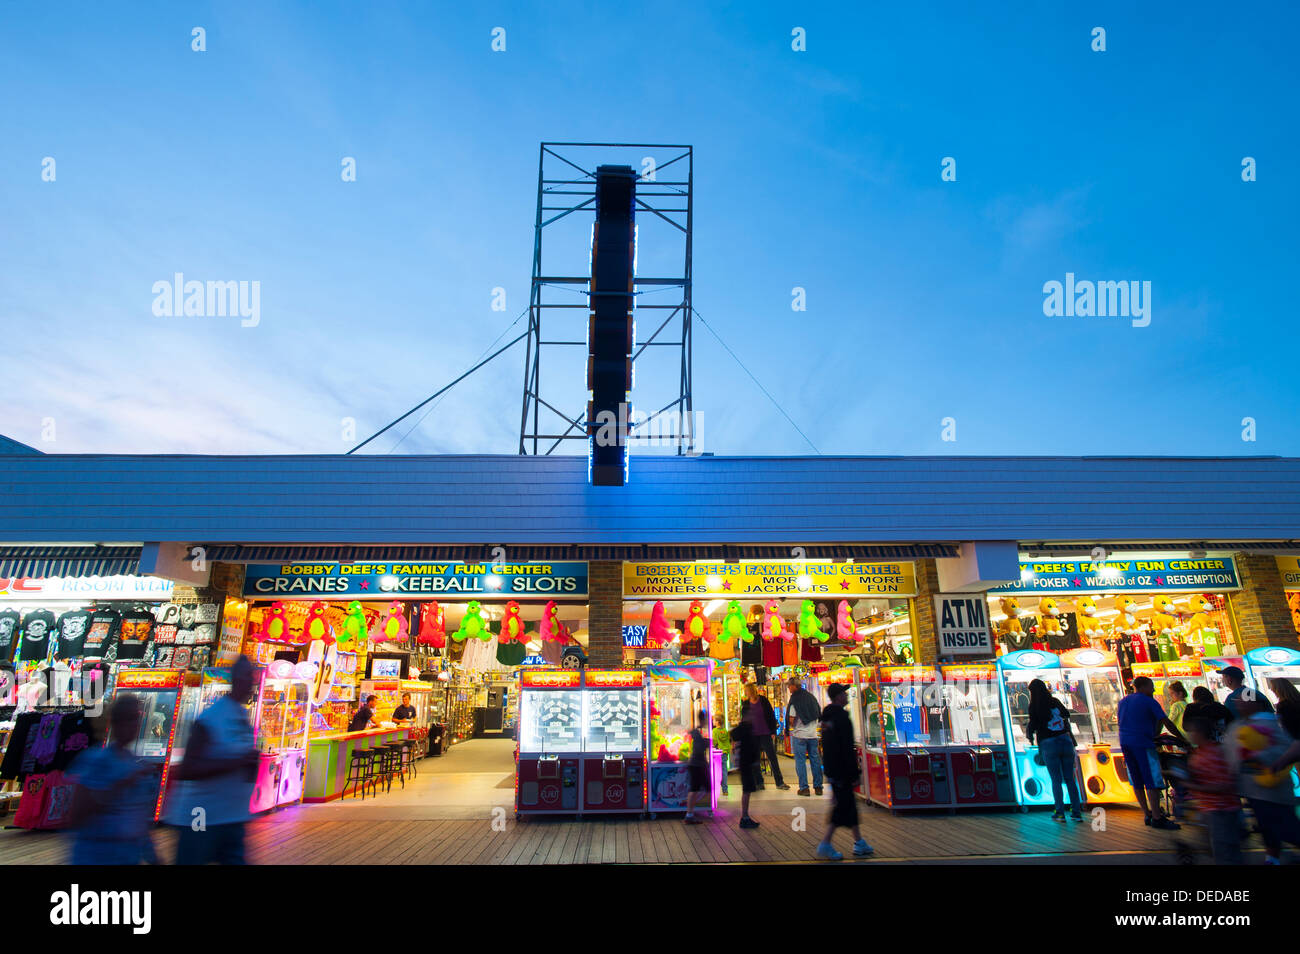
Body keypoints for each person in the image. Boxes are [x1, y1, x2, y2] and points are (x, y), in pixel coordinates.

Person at [165, 655, 260, 865]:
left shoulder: (242, 717)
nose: (252, 682)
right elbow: (189, 769)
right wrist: (238, 762)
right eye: (247, 677)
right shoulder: (211, 718)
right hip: (201, 816)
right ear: (236, 679)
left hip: (233, 817)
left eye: (253, 677)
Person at [65, 694, 159, 865]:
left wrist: (152, 856)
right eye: (128, 719)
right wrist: (122, 783)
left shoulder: (135, 763)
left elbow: (138, 821)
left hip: (126, 855)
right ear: (114, 722)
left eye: (136, 718)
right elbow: (78, 813)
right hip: (96, 854)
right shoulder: (94, 761)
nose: (133, 725)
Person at [1225, 692, 1300, 864]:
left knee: (1285, 827)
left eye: (1244, 701)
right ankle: (1272, 858)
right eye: (1238, 701)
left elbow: (1286, 748)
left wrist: (1259, 757)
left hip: (1273, 789)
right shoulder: (1238, 725)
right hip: (1253, 789)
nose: (1239, 704)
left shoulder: (1273, 723)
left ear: (1256, 703)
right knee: (1268, 827)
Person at [1116, 675, 1188, 830]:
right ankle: (1157, 816)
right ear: (1142, 687)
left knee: (1137, 779)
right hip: (1143, 743)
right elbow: (1166, 722)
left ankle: (1147, 813)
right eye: (1151, 686)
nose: (1153, 689)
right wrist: (1182, 740)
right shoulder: (1149, 701)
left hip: (1125, 742)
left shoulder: (1123, 701)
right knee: (1151, 779)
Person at [816, 682, 872, 860]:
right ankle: (825, 843)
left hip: (833, 768)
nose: (847, 696)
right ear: (838, 696)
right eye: (844, 693)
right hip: (842, 770)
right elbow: (846, 748)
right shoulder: (841, 718)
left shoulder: (828, 717)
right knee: (842, 807)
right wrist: (854, 773)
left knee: (849, 806)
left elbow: (829, 746)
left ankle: (859, 842)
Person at [1183, 716, 1244, 864]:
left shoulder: (1211, 754)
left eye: (1191, 731)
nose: (1189, 735)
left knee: (1224, 852)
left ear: (1200, 732)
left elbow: (1223, 785)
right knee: (1221, 849)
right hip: (1212, 809)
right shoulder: (1201, 752)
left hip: (1221, 809)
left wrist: (1194, 786)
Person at [1024, 678, 1082, 822]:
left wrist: (1029, 734)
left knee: (1056, 779)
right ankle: (1076, 812)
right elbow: (1066, 715)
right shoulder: (1054, 701)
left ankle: (1060, 812)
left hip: (1049, 743)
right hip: (1065, 740)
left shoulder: (1034, 705)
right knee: (1070, 778)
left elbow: (1033, 724)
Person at [740, 684, 788, 790]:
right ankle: (759, 782)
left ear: (751, 691)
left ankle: (779, 782)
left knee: (772, 757)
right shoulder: (746, 704)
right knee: (756, 759)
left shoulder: (763, 700)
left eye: (746, 691)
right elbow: (744, 720)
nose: (746, 693)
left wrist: (773, 731)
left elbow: (770, 715)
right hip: (753, 735)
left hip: (765, 733)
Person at [785, 676, 823, 796]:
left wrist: (793, 724)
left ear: (793, 686)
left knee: (800, 761)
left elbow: (791, 718)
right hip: (812, 734)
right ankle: (818, 787)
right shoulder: (811, 697)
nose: (788, 688)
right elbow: (818, 712)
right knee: (815, 760)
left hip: (799, 735)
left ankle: (804, 788)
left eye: (789, 686)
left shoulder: (795, 700)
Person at [729, 704, 760, 829]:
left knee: (747, 790)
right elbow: (734, 734)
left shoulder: (748, 727)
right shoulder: (745, 727)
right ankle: (745, 817)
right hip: (746, 762)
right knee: (747, 790)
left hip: (747, 762)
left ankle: (745, 816)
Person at [1267, 678, 1300, 772]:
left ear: (1278, 690)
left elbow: (1284, 727)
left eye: (1273, 689)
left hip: (1295, 743)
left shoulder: (1283, 706)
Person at [683, 711, 710, 825]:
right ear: (704, 720)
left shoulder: (698, 731)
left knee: (698, 789)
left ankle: (690, 812)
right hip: (697, 765)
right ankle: (689, 813)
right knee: (696, 790)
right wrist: (707, 742)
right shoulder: (698, 732)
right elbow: (699, 748)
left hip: (697, 764)